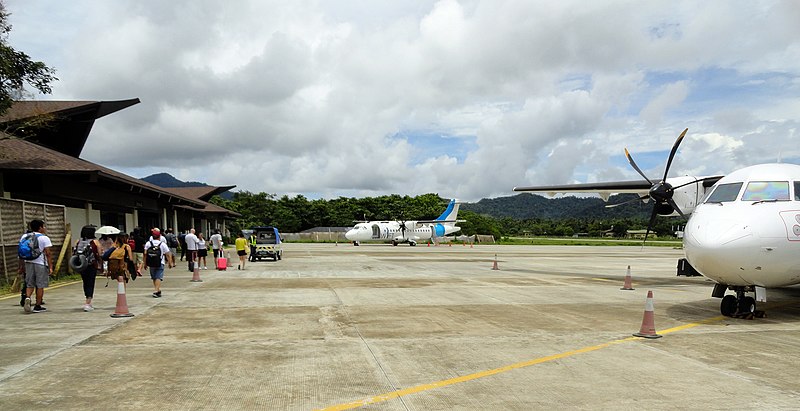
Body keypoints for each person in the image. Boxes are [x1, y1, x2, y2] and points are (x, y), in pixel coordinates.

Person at [19, 219, 53, 313]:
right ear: (40, 228)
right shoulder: (44, 238)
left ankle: (28, 298)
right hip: (40, 263)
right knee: (40, 285)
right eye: (44, 226)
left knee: (30, 284)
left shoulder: (25, 236)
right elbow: (48, 253)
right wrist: (50, 266)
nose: (45, 228)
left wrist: (21, 266)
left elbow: (21, 252)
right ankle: (38, 306)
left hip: (28, 262)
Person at [74, 224, 102, 312]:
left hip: (81, 265)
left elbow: (74, 252)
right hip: (91, 265)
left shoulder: (78, 241)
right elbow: (100, 254)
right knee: (90, 283)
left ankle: (87, 299)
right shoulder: (95, 242)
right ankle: (88, 303)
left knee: (85, 282)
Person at [143, 228, 171, 298]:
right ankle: (156, 291)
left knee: (154, 277)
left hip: (151, 263)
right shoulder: (162, 244)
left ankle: (157, 290)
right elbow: (168, 253)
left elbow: (145, 254)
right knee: (158, 277)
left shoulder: (148, 243)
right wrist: (170, 262)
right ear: (159, 236)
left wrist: (145, 263)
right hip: (160, 262)